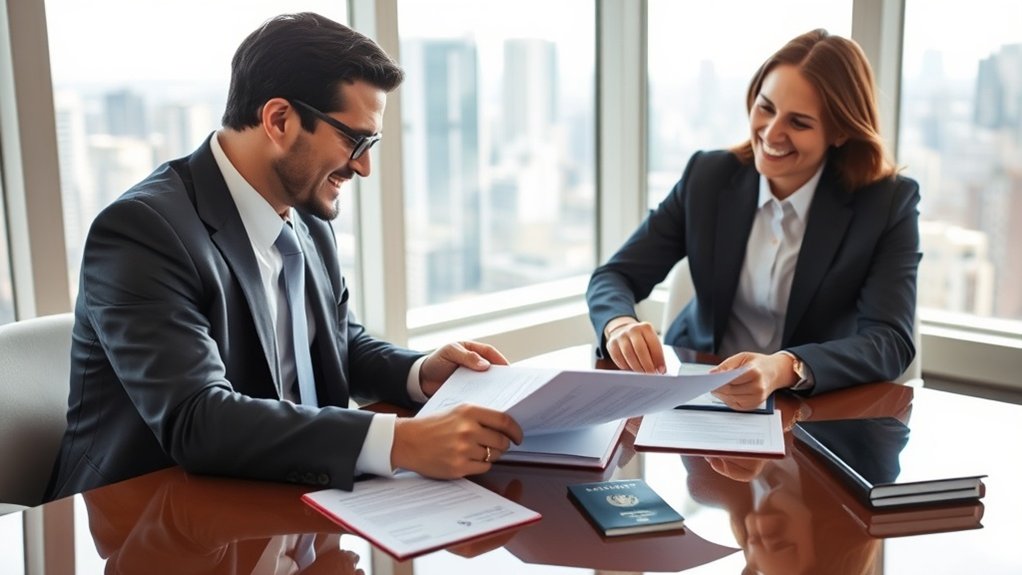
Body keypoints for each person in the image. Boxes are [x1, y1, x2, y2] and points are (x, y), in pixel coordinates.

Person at [45, 12, 522, 501]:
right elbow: (196, 419)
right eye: (356, 140)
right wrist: (400, 442)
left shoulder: (306, 213)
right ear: (279, 120)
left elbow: (336, 341)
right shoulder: (143, 232)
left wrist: (419, 373)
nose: (364, 166)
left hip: (292, 497)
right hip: (158, 514)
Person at [587, 29, 920, 409]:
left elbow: (890, 340)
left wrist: (785, 368)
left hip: (811, 410)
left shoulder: (887, 203)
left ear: (840, 131)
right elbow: (614, 276)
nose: (771, 132)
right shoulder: (707, 177)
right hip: (697, 393)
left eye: (799, 123)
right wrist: (620, 326)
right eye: (766, 107)